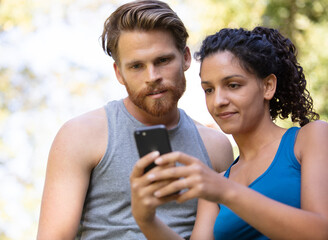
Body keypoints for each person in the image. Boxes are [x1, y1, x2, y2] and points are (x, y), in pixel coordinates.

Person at [36, 1, 233, 239]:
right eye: (137, 66)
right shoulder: (80, 135)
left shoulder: (216, 147)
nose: (152, 77)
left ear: (186, 58)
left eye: (162, 61)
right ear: (119, 73)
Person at [130, 26, 328, 240]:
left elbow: (321, 231)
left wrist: (226, 192)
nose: (218, 101)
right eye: (209, 90)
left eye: (233, 85)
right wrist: (146, 220)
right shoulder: (217, 183)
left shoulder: (310, 138)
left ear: (268, 86)